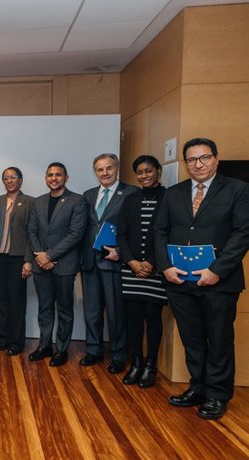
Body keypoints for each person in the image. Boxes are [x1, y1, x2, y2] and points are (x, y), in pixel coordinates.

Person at [154, 138, 249, 420]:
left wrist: (217, 269)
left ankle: (217, 395)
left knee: (219, 340)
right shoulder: (174, 193)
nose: (198, 164)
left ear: (216, 159)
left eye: (204, 158)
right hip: (179, 281)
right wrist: (165, 267)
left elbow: (243, 233)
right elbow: (160, 231)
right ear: (186, 164)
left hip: (219, 282)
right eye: (192, 160)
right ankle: (198, 388)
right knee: (192, 339)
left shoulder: (238, 190)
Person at [80, 153, 137, 373]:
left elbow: (136, 229)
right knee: (91, 311)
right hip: (89, 262)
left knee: (116, 313)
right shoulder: (88, 195)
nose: (105, 173)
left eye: (109, 168)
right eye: (100, 169)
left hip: (114, 262)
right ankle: (93, 350)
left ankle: (118, 354)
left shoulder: (131, 193)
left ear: (117, 168)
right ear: (95, 172)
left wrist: (121, 252)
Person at [28, 162, 88, 366]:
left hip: (64, 264)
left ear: (66, 178)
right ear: (46, 178)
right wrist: (41, 257)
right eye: (50, 175)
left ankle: (61, 350)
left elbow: (75, 235)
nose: (54, 178)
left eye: (58, 175)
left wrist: (49, 256)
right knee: (44, 307)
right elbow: (32, 231)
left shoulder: (77, 201)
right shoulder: (38, 202)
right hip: (40, 265)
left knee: (64, 309)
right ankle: (44, 345)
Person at [117, 155, 167, 388]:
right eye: (139, 172)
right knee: (133, 317)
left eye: (148, 171)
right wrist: (132, 262)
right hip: (132, 269)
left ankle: (150, 365)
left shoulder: (170, 198)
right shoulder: (130, 199)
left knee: (153, 317)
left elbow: (172, 234)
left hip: (157, 270)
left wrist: (153, 263)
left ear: (158, 171)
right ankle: (136, 363)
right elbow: (121, 234)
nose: (144, 175)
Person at [0, 167, 34, 355]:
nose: (10, 181)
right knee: (2, 300)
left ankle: (17, 342)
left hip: (18, 258)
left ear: (20, 180)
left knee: (17, 301)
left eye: (13, 177)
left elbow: (32, 234)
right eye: (6, 178)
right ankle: (4, 338)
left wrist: (29, 260)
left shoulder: (29, 202)